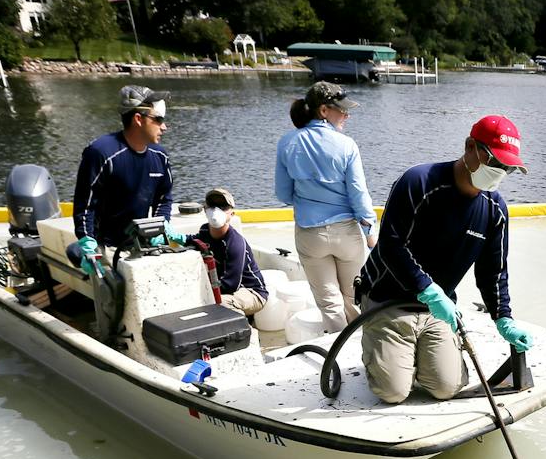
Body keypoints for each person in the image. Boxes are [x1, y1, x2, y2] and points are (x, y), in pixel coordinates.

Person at [355, 115, 534, 405]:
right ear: (470, 147)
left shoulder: (495, 209)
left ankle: (415, 353)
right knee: (393, 391)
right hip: (387, 300)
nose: (499, 172)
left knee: (446, 387)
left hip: (438, 309)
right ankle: (381, 350)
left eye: (507, 168)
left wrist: (503, 317)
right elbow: (390, 244)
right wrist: (426, 287)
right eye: (494, 162)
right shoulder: (418, 181)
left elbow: (493, 271)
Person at [274, 81, 377, 330]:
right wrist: (369, 230)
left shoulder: (287, 142)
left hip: (311, 234)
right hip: (347, 234)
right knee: (354, 296)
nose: (346, 114)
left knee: (330, 303)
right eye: (341, 109)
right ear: (323, 111)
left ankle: (337, 351)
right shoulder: (347, 145)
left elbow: (283, 194)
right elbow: (358, 194)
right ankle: (361, 346)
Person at [72, 85, 184, 274]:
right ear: (138, 119)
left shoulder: (160, 156)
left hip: (141, 243)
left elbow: (164, 198)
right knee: (113, 297)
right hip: (106, 247)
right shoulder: (101, 153)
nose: (164, 127)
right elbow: (85, 205)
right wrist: (88, 244)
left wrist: (160, 225)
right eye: (158, 119)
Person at [188, 188, 267, 316]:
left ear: (232, 214)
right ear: (205, 209)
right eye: (212, 206)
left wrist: (204, 292)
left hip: (252, 292)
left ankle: (246, 332)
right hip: (224, 287)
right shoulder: (204, 231)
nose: (216, 211)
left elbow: (230, 285)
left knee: (219, 302)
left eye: (222, 207)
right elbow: (194, 240)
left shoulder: (235, 243)